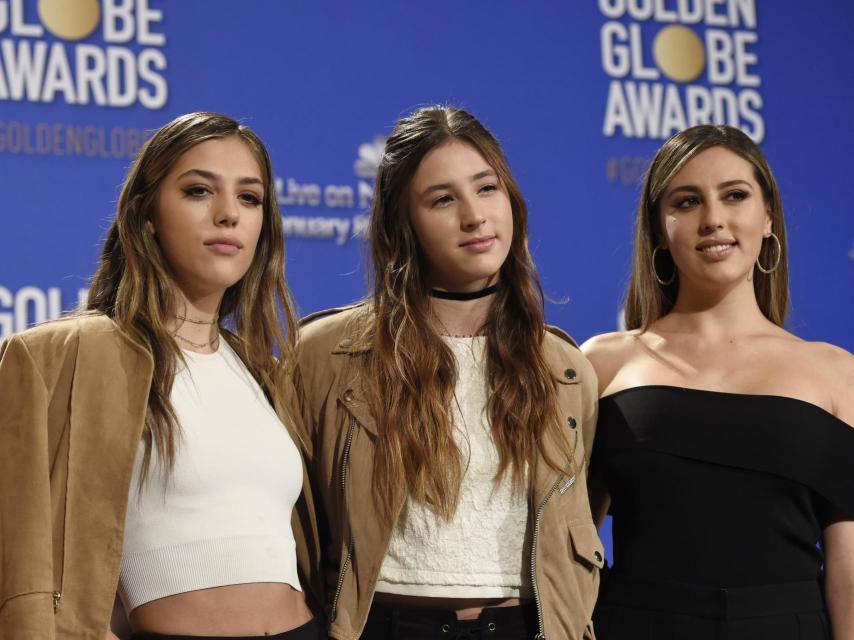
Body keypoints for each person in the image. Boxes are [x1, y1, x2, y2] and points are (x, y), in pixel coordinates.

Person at [0, 112, 323, 640]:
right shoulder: (60, 357)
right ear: (145, 214)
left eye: (249, 197)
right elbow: (20, 559)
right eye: (199, 191)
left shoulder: (263, 372)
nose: (228, 215)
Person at [295, 105, 603, 640]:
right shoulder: (325, 355)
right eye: (443, 199)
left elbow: (578, 528)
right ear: (402, 222)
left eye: (487, 189)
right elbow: (295, 531)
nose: (475, 215)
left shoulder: (565, 369)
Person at [583, 124, 854, 639]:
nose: (713, 219)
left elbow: (850, 570)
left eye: (734, 195)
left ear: (768, 216)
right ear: (660, 228)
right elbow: (566, 546)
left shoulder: (839, 375)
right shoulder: (601, 365)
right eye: (687, 202)